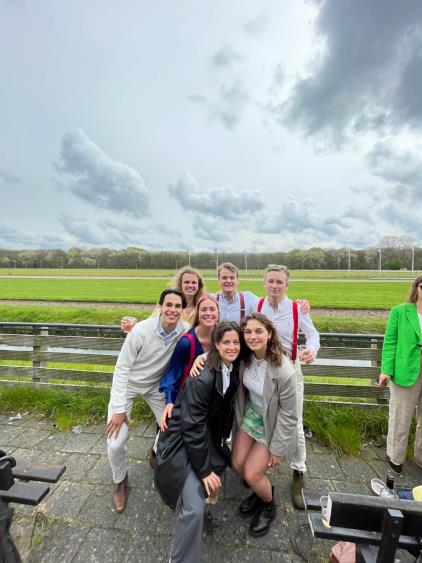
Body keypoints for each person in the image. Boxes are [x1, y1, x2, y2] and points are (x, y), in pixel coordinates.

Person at [155, 321, 241, 563]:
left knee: (222, 467)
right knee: (193, 508)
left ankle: (206, 486)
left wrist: (222, 438)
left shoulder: (232, 366)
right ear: (216, 344)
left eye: (236, 342)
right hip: (181, 442)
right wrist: (204, 471)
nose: (232, 347)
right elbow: (191, 427)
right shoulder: (202, 377)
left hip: (206, 438)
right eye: (226, 342)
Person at [107, 288, 190, 513]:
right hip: (129, 385)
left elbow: (201, 342)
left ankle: (155, 454)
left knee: (172, 427)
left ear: (183, 310)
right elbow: (121, 369)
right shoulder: (141, 331)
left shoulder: (184, 331)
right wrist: (119, 409)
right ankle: (120, 481)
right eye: (168, 305)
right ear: (160, 306)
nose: (173, 310)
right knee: (115, 442)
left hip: (156, 386)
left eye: (178, 306)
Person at [256, 264, 320, 509]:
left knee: (295, 422)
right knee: (262, 417)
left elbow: (312, 335)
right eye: (270, 281)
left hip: (290, 368)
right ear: (264, 282)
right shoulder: (257, 305)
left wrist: (311, 350)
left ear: (287, 284)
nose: (274, 285)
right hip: (263, 370)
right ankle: (260, 467)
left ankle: (299, 471)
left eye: (279, 282)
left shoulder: (296, 308)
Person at [232, 313, 298, 537]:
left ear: (269, 334)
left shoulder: (283, 369)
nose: (253, 336)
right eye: (248, 332)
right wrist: (199, 360)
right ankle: (260, 490)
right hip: (252, 413)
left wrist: (277, 449)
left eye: (258, 331)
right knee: (238, 464)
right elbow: (219, 353)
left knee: (251, 473)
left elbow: (289, 414)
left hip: (273, 421)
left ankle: (268, 505)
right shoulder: (245, 358)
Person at [377, 275, 422, 494]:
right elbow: (390, 342)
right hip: (405, 371)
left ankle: (420, 458)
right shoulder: (400, 312)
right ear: (417, 288)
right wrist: (386, 370)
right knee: (400, 417)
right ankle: (395, 459)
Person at [159, 293, 219, 431]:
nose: (208, 313)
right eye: (203, 309)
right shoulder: (186, 342)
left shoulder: (222, 336)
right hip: (190, 398)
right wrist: (169, 401)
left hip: (213, 397)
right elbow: (173, 373)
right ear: (198, 314)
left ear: (218, 312)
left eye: (212, 309)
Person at [121, 266, 205, 332]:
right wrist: (135, 326)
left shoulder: (203, 306)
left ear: (199, 285)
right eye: (186, 282)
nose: (190, 285)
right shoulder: (166, 304)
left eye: (194, 282)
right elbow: (150, 324)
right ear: (180, 284)